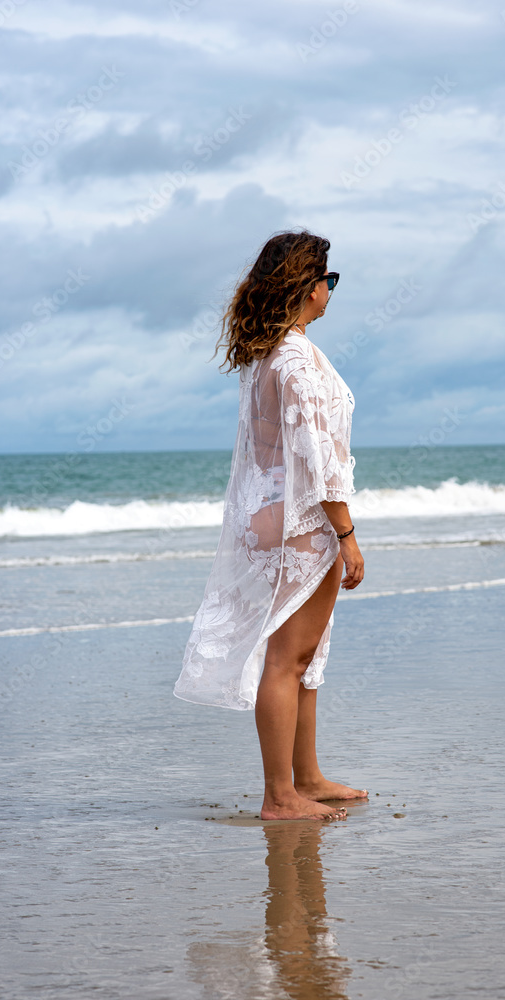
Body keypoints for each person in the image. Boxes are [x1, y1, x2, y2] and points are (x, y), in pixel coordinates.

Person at [174, 230, 367, 821]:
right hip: (301, 521)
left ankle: (306, 776)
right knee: (289, 660)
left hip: (272, 515)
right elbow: (318, 456)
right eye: (329, 279)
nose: (331, 290)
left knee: (304, 658)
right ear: (307, 287)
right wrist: (346, 534)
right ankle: (280, 795)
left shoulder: (268, 356)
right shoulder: (295, 360)